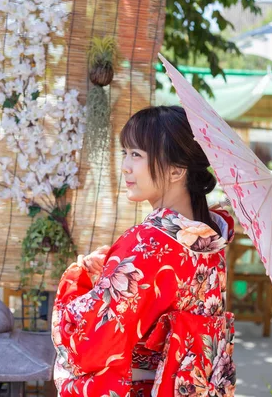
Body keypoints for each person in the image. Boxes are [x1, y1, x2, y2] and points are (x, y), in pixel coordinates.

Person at [51, 105, 236, 396]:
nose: (125, 165)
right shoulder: (211, 241)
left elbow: (89, 343)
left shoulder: (148, 244)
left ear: (176, 170)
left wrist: (79, 278)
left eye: (136, 155)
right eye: (125, 153)